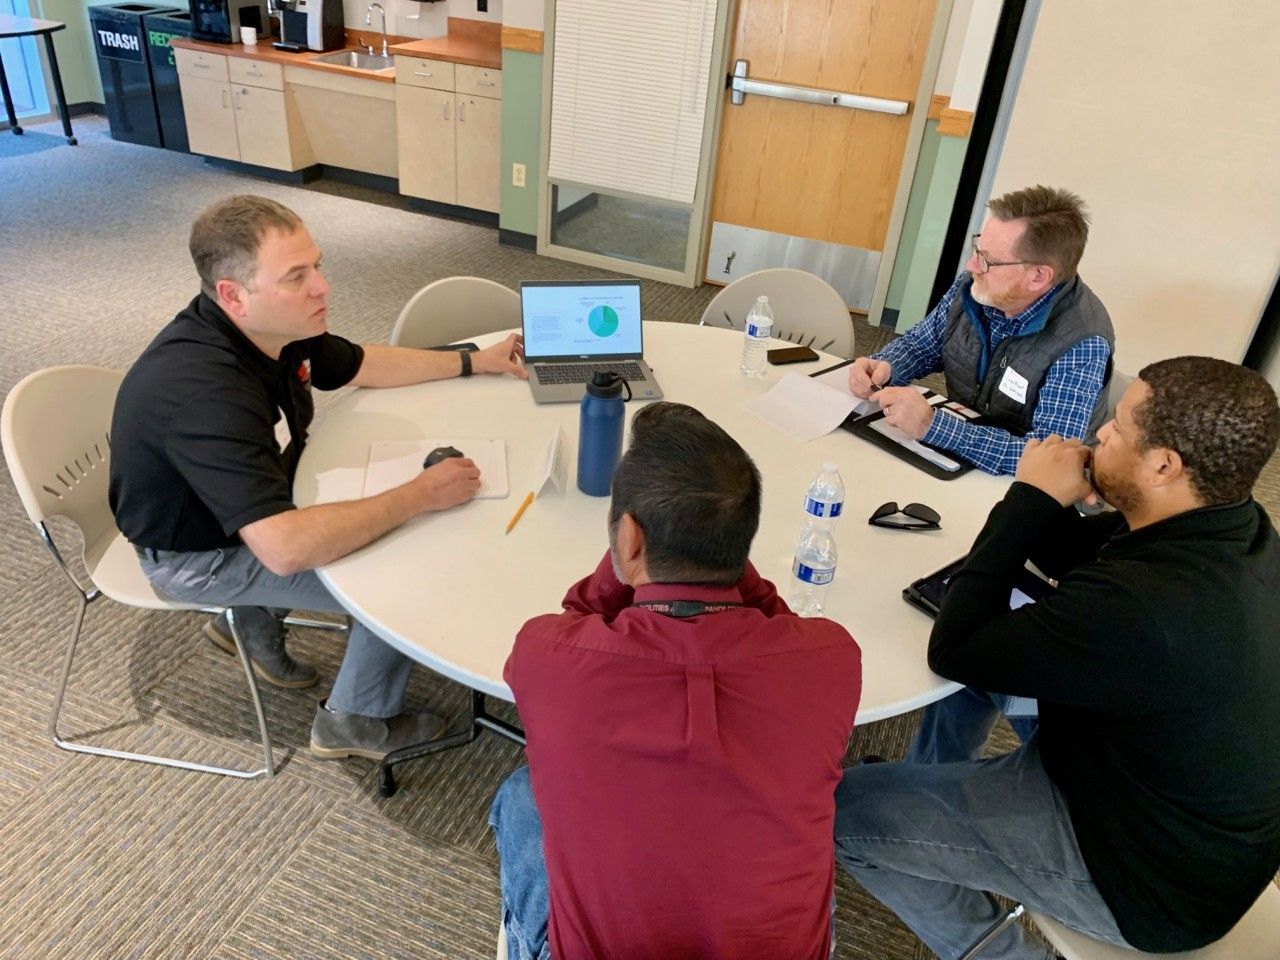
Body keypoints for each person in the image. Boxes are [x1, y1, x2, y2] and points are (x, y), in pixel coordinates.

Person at [833, 356, 1280, 959]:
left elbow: (956, 648)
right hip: (1163, 793)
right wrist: (1052, 496)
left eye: (1119, 428)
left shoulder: (1147, 607)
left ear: (1164, 465)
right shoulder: (1231, 525)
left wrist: (1028, 496)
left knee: (843, 814)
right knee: (998, 658)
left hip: (1139, 873)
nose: (1100, 435)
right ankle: (932, 783)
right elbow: (1078, 552)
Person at [108, 195, 528, 760]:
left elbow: (360, 364)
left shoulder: (275, 326)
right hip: (197, 557)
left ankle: (246, 623)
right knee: (394, 572)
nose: (323, 287)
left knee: (375, 518)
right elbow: (284, 547)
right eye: (297, 276)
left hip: (251, 506)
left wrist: (475, 359)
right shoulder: (204, 393)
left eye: (318, 266)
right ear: (233, 295)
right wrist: (417, 495)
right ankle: (353, 721)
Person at [489, 402, 862, 960]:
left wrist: (626, 565)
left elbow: (577, 616)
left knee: (521, 795)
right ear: (743, 539)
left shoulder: (549, 656)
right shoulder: (833, 657)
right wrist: (721, 555)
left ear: (630, 538)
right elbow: (777, 621)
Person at [847, 185, 1114, 476]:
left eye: (989, 260)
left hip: (1020, 485)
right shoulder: (975, 287)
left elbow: (1051, 461)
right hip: (960, 452)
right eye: (977, 249)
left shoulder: (1082, 343)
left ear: (1038, 276)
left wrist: (932, 426)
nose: (972, 265)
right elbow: (921, 345)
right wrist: (885, 366)